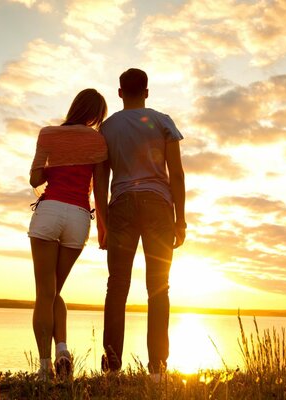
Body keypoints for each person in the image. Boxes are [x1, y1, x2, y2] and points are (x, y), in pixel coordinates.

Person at [94, 68, 187, 378]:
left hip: (120, 205)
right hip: (159, 205)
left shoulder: (106, 128)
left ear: (120, 93)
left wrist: (102, 222)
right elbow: (177, 173)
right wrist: (181, 219)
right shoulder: (162, 121)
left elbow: (100, 177)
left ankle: (112, 369)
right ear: (147, 91)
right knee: (158, 288)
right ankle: (158, 370)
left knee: (117, 286)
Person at [28, 88, 108, 380]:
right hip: (77, 217)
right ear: (96, 115)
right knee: (54, 292)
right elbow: (100, 188)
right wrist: (103, 228)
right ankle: (62, 349)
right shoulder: (98, 140)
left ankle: (45, 368)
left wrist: (54, 171)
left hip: (49, 213)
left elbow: (35, 178)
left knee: (44, 294)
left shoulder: (48, 133)